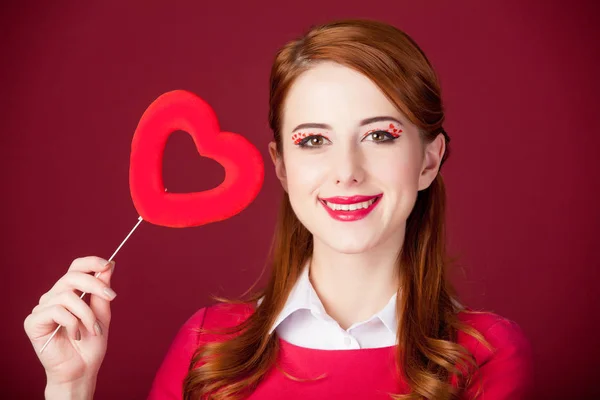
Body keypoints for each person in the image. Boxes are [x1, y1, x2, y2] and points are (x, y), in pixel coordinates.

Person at [24, 19, 534, 399]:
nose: (347, 170)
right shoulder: (208, 344)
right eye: (314, 140)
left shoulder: (485, 355)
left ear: (429, 160)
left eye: (380, 135)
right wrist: (70, 385)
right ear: (283, 165)